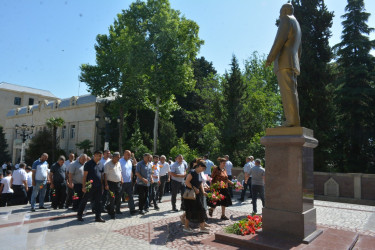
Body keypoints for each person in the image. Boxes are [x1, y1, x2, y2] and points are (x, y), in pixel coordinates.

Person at [266, 2, 302, 127]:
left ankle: (291, 120)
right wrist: (296, 62)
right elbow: (299, 49)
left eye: (281, 12)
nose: (280, 15)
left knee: (287, 92)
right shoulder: (297, 24)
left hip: (284, 61)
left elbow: (279, 40)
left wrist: (270, 58)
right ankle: (294, 120)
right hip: (292, 62)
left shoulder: (286, 20)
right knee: (292, 91)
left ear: (285, 11)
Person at [77, 150, 105, 222]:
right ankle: (79, 215)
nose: (100, 158)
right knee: (85, 200)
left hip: (98, 186)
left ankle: (98, 217)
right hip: (89, 185)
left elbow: (101, 176)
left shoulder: (101, 164)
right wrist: (83, 186)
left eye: (101, 156)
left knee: (99, 201)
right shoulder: (88, 164)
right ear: (95, 155)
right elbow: (85, 176)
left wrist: (102, 186)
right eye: (99, 156)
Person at [183, 160, 209, 233]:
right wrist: (194, 188)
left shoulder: (199, 173)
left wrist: (203, 191)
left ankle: (202, 227)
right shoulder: (192, 172)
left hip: (197, 195)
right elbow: (187, 182)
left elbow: (200, 183)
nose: (203, 170)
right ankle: (186, 227)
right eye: (203, 168)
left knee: (201, 209)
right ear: (200, 166)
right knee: (189, 210)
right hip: (190, 195)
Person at [104, 152, 123, 219]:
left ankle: (109, 207)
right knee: (112, 198)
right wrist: (106, 184)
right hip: (110, 183)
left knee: (118, 198)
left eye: (119, 157)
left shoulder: (119, 163)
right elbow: (105, 175)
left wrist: (121, 179)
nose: (118, 158)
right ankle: (112, 213)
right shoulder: (108, 164)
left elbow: (120, 172)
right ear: (113, 157)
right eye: (117, 157)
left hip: (118, 183)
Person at [119, 150, 137, 215]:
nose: (129, 156)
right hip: (122, 182)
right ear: (124, 154)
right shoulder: (120, 161)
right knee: (119, 196)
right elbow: (118, 171)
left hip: (129, 182)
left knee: (130, 196)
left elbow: (131, 171)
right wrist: (121, 179)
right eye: (128, 154)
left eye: (130, 155)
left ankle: (132, 209)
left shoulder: (130, 162)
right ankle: (117, 209)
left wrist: (132, 180)